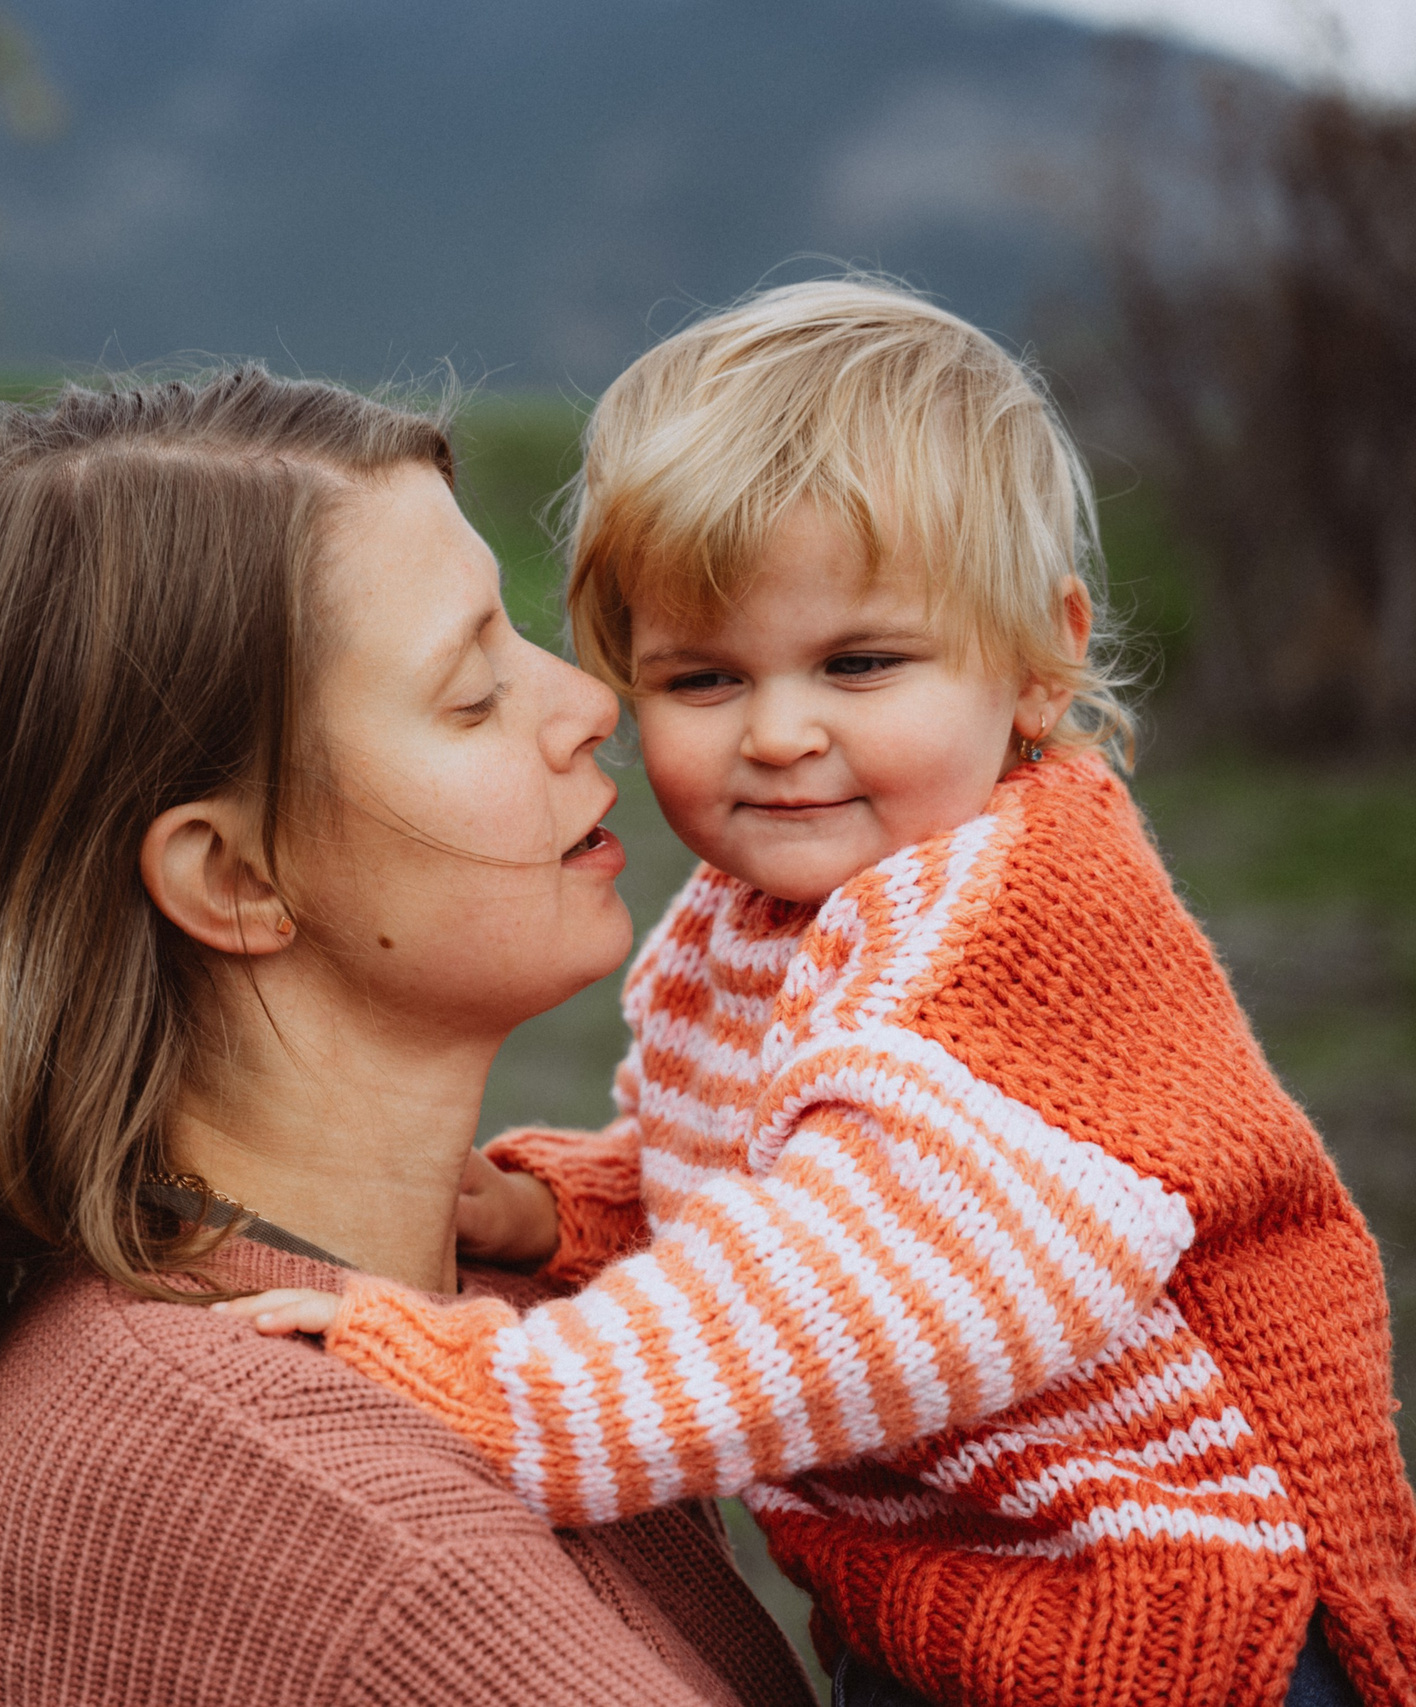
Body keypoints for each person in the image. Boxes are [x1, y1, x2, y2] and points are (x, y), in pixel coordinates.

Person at [220, 282, 1416, 1707]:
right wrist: (579, 1211)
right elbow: (789, 1179)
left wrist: (503, 1396)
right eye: (705, 677)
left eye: (860, 664)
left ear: (1037, 662)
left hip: (1168, 1621)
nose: (782, 734)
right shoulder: (769, 912)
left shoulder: (1025, 925)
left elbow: (859, 1279)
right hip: (951, 1604)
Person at [0, 368, 816, 1706]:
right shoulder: (303, 1498)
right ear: (234, 878)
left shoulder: (507, 1308)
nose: (590, 702)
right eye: (471, 694)